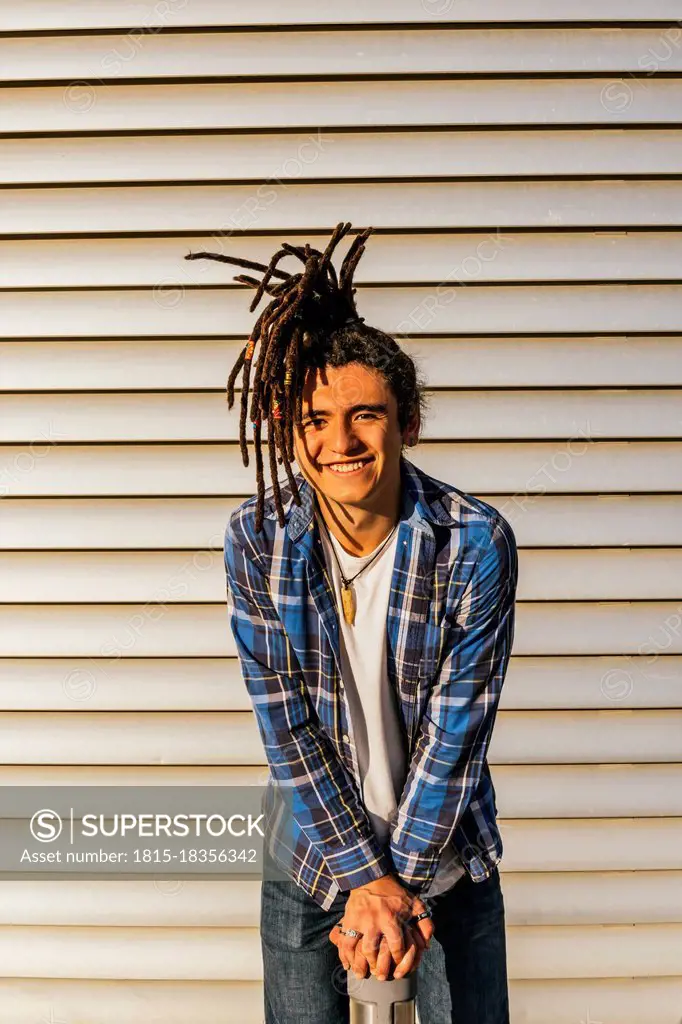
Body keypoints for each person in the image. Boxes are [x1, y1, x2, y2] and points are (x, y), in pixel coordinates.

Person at [189, 222, 518, 1023]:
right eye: (313, 419)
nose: (340, 442)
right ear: (284, 425)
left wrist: (394, 890)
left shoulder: (473, 542)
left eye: (366, 416)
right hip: (308, 859)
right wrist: (362, 881)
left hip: (443, 862)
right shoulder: (256, 540)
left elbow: (456, 734)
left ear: (409, 421)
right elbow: (287, 728)